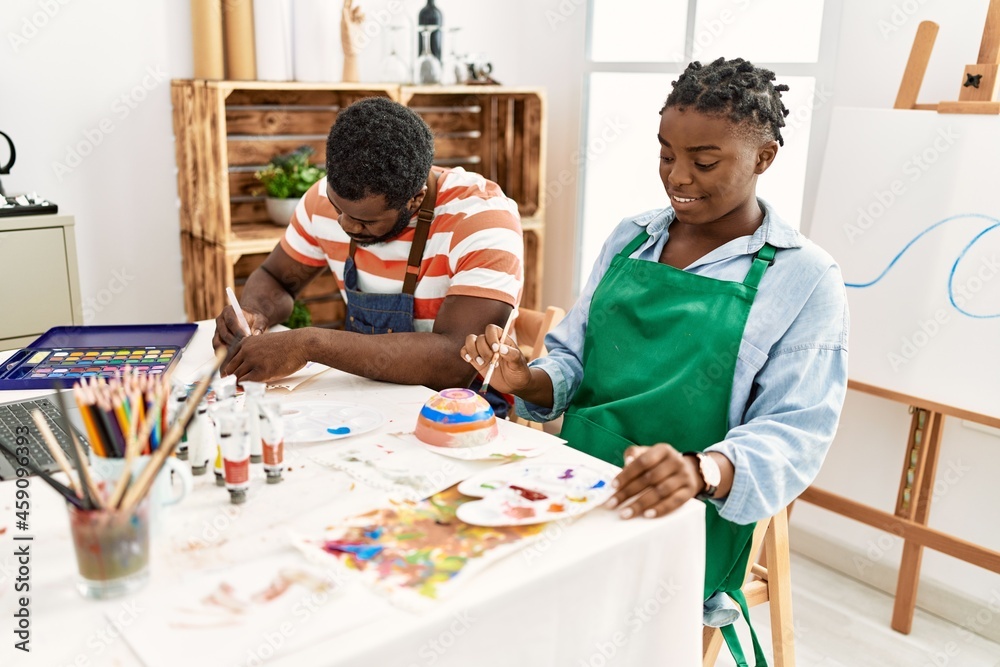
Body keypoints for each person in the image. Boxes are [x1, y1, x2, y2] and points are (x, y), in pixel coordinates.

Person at [461, 57, 848, 664]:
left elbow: (795, 433)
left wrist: (698, 470)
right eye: (666, 153)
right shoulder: (632, 237)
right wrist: (529, 380)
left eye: (704, 161)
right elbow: (572, 362)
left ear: (764, 158)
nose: (677, 176)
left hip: (681, 516)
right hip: (572, 481)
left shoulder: (804, 278)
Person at [213, 97, 524, 412]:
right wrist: (253, 313)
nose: (346, 224)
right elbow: (276, 278)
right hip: (365, 394)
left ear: (416, 200)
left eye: (366, 221)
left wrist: (308, 344)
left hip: (462, 409)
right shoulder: (323, 199)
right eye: (338, 208)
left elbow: (453, 362)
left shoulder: (482, 219)